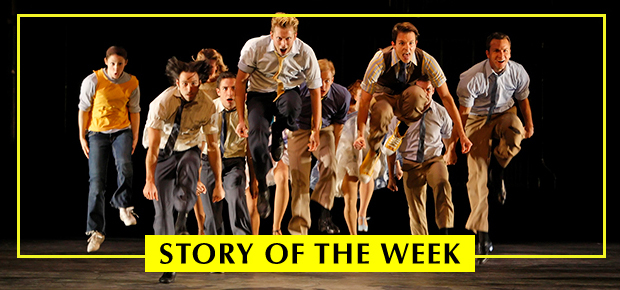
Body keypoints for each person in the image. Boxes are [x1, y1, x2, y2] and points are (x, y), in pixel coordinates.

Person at [353, 22, 472, 183]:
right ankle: (373, 153)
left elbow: (446, 97)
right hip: (384, 98)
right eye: (401, 43)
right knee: (382, 110)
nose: (406, 48)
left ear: (416, 44)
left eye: (410, 43)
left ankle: (400, 131)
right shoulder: (380, 60)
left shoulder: (426, 60)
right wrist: (360, 133)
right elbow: (365, 99)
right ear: (393, 44)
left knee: (418, 94)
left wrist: (462, 135)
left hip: (405, 101)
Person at [142, 57, 224, 283]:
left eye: (195, 83)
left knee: (188, 175)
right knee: (161, 212)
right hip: (162, 152)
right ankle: (169, 264)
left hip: (189, 148)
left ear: (201, 81)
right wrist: (149, 180)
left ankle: (183, 213)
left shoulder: (207, 105)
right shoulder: (162, 103)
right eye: (185, 83)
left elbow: (214, 147)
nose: (190, 89)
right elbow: (152, 150)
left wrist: (218, 183)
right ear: (177, 83)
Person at [454, 32, 534, 264]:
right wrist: (456, 142)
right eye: (497, 50)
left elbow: (523, 99)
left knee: (515, 129)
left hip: (504, 115)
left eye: (505, 50)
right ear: (488, 53)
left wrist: (529, 124)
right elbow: (463, 114)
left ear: (510, 52)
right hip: (476, 119)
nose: (502, 55)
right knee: (476, 177)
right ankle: (483, 235)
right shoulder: (472, 77)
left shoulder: (518, 72)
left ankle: (498, 171)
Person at [235, 13, 322, 219]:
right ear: (271, 35)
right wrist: (241, 118)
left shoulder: (306, 53)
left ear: (295, 36)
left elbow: (315, 91)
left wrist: (315, 130)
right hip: (259, 96)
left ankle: (279, 128)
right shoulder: (254, 47)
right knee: (256, 144)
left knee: (293, 105)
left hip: (287, 93)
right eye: (279, 38)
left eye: (288, 38)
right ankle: (263, 187)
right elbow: (240, 81)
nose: (283, 44)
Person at [77, 46, 140, 253]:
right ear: (106, 61)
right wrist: (82, 135)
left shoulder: (132, 82)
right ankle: (96, 231)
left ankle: (123, 206)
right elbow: (84, 109)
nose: (115, 68)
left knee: (125, 166)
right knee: (97, 182)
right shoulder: (93, 81)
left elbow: (135, 110)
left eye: (120, 64)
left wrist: (135, 135)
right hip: (97, 133)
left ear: (125, 64)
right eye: (112, 63)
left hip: (122, 131)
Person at [386, 75, 455, 236]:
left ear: (434, 91)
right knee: (415, 207)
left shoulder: (440, 112)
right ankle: (422, 245)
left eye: (428, 90)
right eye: (420, 90)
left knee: (443, 184)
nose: (425, 94)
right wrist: (391, 174)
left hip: (434, 160)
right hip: (410, 164)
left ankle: (445, 233)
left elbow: (447, 136)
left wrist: (450, 151)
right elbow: (391, 147)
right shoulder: (400, 114)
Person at [288, 59, 350, 235]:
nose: (323, 85)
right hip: (300, 130)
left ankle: (323, 212)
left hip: (324, 130)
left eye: (327, 80)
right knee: (299, 181)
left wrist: (332, 153)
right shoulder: (300, 90)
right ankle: (299, 231)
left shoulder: (341, 95)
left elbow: (338, 127)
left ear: (333, 79)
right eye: (319, 80)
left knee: (330, 165)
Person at [197, 71, 253, 235]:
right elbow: (198, 144)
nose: (230, 92)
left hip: (234, 162)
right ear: (218, 91)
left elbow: (249, 148)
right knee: (212, 214)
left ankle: (243, 247)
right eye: (226, 88)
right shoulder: (208, 110)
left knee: (236, 197)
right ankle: (215, 251)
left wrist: (254, 179)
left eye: (234, 88)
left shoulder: (246, 112)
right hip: (209, 162)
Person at [190, 48, 228, 235]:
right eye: (206, 67)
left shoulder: (223, 83)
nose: (210, 71)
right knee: (198, 182)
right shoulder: (195, 84)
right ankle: (200, 226)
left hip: (221, 134)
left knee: (216, 184)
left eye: (213, 67)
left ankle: (214, 226)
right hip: (199, 133)